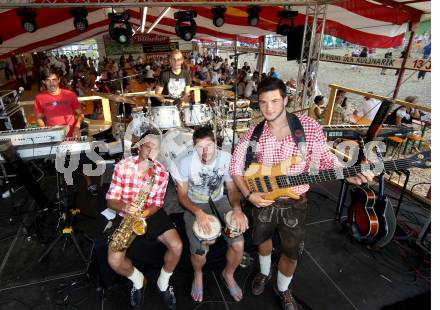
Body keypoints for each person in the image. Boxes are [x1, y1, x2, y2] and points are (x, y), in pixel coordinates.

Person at [229, 78, 372, 310]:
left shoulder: (307, 128)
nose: (269, 108)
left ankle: (284, 288)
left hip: (295, 202)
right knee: (262, 241)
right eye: (263, 102)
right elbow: (235, 166)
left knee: (291, 251)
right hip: (262, 198)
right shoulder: (255, 132)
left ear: (286, 100)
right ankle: (265, 273)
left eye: (275, 101)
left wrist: (347, 173)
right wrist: (248, 195)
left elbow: (325, 160)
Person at [106, 129, 183, 310]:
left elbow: (157, 203)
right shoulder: (122, 167)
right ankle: (138, 280)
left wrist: (145, 214)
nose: (151, 151)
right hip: (125, 211)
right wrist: (125, 207)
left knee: (177, 246)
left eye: (156, 148)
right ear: (139, 147)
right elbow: (111, 200)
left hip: (149, 212)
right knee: (113, 260)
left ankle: (163, 282)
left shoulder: (161, 172)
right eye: (148, 146)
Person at [174, 127, 248, 303]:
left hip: (220, 202)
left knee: (238, 244)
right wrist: (198, 212)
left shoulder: (226, 159)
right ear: (194, 147)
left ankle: (228, 274)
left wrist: (237, 209)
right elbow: (182, 196)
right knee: (200, 251)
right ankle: (198, 274)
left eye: (209, 145)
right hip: (195, 205)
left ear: (216, 143)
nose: (205, 151)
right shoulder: (184, 163)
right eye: (200, 147)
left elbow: (232, 189)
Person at [34, 68, 98, 196]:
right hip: (56, 137)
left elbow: (80, 114)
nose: (52, 83)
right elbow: (39, 118)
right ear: (43, 82)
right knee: (62, 163)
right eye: (48, 80)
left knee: (83, 158)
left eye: (54, 80)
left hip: (73, 135)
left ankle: (90, 184)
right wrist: (45, 130)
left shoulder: (70, 94)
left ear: (58, 80)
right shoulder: (39, 98)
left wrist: (77, 126)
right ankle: (68, 184)